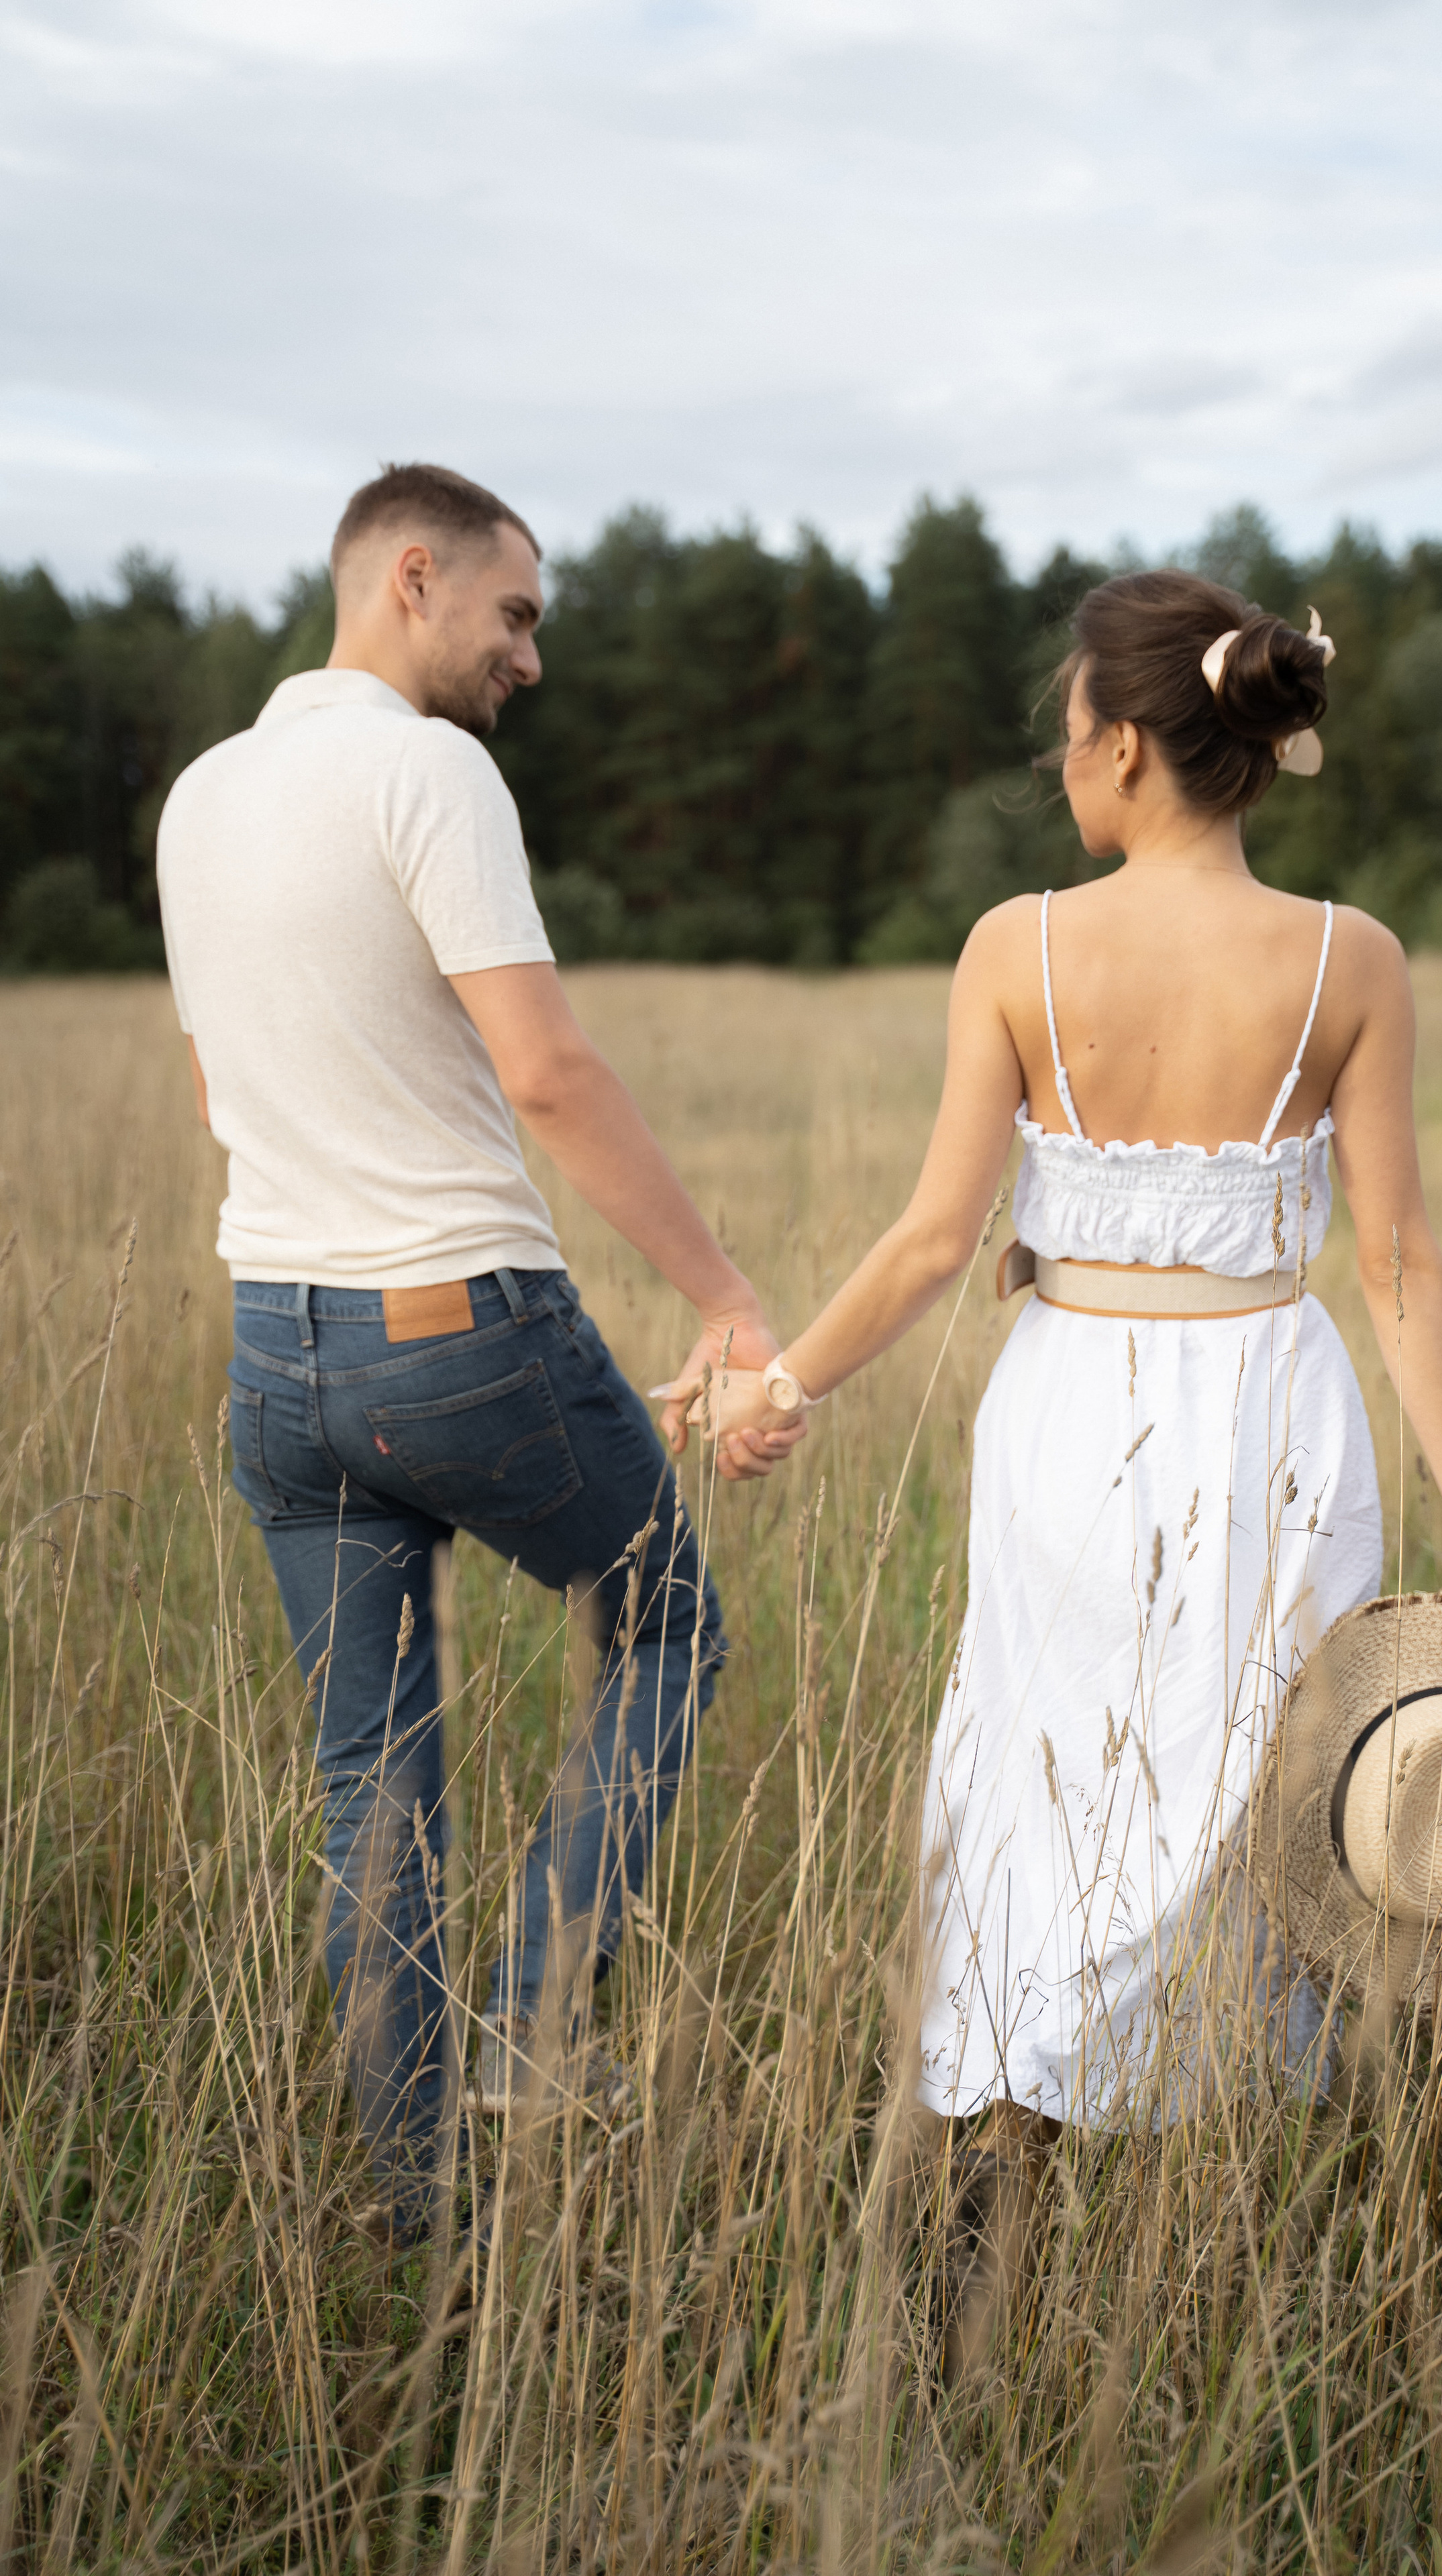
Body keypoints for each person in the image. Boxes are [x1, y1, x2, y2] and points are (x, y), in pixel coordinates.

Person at [664, 568, 1442, 2140]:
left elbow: (933, 1238)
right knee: (1253, 1787)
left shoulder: (1018, 947)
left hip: (1073, 1418)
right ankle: (1218, 2122)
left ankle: (1017, 2118)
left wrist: (780, 1387)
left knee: (1054, 1771)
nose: (1062, 760)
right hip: (1275, 1416)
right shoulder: (1353, 959)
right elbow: (1397, 1261)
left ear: (1128, 744)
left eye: (1071, 730)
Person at [157, 462, 797, 2244]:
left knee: (375, 1782)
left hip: (276, 1365)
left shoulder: (205, 796)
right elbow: (548, 1071)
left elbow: (221, 1089)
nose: (531, 657)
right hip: (460, 1329)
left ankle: (420, 2220)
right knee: (667, 1622)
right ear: (413, 580)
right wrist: (727, 1299)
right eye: (515, 615)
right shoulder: (431, 771)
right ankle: (535, 2022)